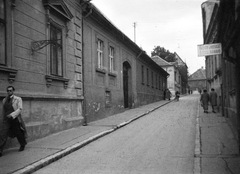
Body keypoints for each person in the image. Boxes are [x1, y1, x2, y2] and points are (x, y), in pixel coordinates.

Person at [0, 86, 27, 157]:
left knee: (18, 132)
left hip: (14, 118)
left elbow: (20, 109)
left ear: (13, 91)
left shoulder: (18, 99)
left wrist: (12, 115)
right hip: (6, 120)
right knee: (3, 134)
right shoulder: (4, 100)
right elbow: (3, 111)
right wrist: (2, 119)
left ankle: (22, 144)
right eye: (8, 91)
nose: (9, 92)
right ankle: (0, 150)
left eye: (10, 90)